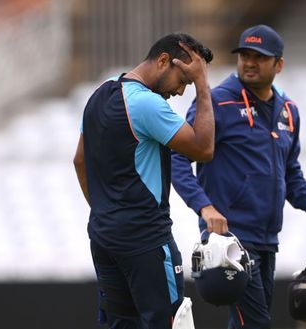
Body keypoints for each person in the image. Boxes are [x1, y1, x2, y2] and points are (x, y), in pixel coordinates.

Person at [171, 25, 306, 329]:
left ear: (279, 64)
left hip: (266, 238)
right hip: (229, 240)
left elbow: (290, 171)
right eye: (244, 55)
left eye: (259, 57)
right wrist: (204, 207)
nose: (249, 62)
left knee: (247, 323)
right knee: (257, 323)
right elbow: (178, 158)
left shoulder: (289, 111)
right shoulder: (216, 102)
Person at [73, 33, 214, 329]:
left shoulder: (98, 94)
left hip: (103, 236)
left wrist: (105, 211)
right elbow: (203, 148)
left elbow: (80, 161)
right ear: (163, 61)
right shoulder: (146, 104)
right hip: (146, 241)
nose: (180, 91)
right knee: (170, 323)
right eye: (182, 80)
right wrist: (202, 83)